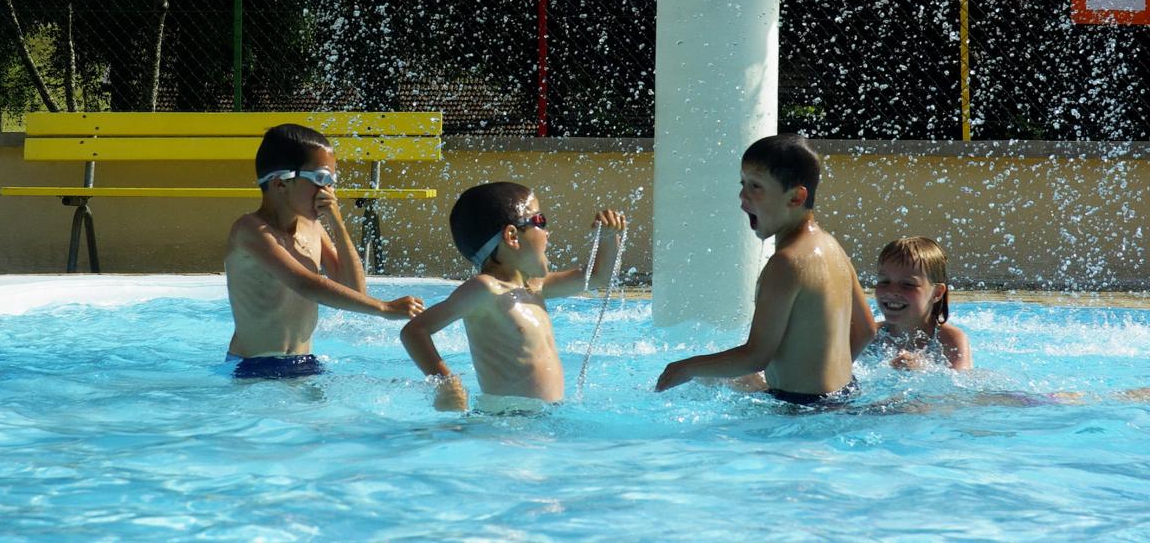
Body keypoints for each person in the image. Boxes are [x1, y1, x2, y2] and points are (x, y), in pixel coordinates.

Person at [655, 134, 875, 406]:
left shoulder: (787, 262)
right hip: (843, 394)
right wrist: (823, 376)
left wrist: (684, 367)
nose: (742, 195)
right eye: (743, 183)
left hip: (801, 410)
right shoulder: (832, 246)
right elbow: (866, 330)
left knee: (697, 379)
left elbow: (755, 357)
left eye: (755, 186)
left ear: (795, 197)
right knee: (720, 378)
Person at [400, 181, 625, 411]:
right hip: (504, 424)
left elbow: (599, 278)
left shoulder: (536, 286)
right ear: (512, 236)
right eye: (540, 221)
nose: (547, 233)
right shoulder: (486, 289)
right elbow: (414, 331)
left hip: (545, 418)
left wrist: (609, 238)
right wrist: (446, 383)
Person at [223, 123, 425, 379]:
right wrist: (384, 308)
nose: (328, 192)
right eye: (320, 179)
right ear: (280, 183)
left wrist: (337, 222)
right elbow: (304, 284)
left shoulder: (313, 227)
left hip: (305, 363)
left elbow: (355, 290)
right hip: (252, 368)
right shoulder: (250, 230)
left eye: (332, 181)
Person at [865, 236, 972, 371]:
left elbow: (961, 386)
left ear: (937, 293)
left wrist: (924, 369)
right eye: (884, 282)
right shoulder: (869, 335)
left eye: (908, 284)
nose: (892, 291)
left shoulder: (951, 340)